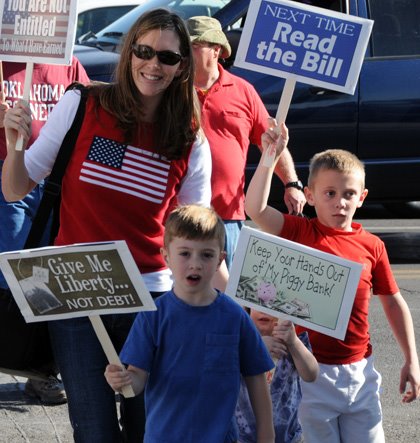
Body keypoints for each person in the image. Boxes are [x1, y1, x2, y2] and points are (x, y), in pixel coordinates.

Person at [2, 9, 213, 442]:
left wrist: (220, 306)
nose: (153, 64)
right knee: (94, 431)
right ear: (129, 51)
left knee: (148, 428)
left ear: (181, 67)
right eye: (144, 51)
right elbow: (14, 188)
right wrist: (14, 145)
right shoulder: (83, 103)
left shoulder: (190, 136)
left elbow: (196, 230)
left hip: (150, 299)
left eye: (167, 57)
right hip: (74, 293)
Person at [244, 120, 420, 443]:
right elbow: (254, 209)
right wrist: (270, 156)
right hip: (310, 372)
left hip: (360, 372)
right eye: (330, 193)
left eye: (349, 194)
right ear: (310, 196)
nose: (340, 202)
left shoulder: (372, 246)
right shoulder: (300, 231)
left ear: (362, 197)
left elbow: (393, 301)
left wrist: (411, 358)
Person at [105, 204, 276, 443]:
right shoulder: (152, 316)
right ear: (166, 256)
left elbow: (256, 377)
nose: (195, 264)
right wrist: (121, 380)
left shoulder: (235, 316)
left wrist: (267, 435)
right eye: (185, 253)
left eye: (206, 255)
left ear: (220, 259)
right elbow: (136, 380)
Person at [0, 58, 89, 404]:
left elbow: (89, 104)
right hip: (9, 177)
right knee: (10, 272)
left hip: (54, 181)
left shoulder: (67, 61)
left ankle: (39, 369)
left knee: (44, 275)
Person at [185, 16, 306, 269]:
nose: (185, 51)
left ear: (216, 50)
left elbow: (270, 142)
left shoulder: (243, 91)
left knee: (226, 289)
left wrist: (292, 183)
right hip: (180, 215)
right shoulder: (172, 90)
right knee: (183, 287)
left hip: (227, 216)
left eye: (194, 45)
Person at [235, 310, 318, 443]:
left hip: (289, 438)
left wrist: (294, 342)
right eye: (260, 304)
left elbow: (311, 375)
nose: (264, 311)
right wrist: (256, 347)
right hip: (241, 438)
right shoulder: (238, 339)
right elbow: (223, 371)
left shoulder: (292, 341)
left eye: (272, 305)